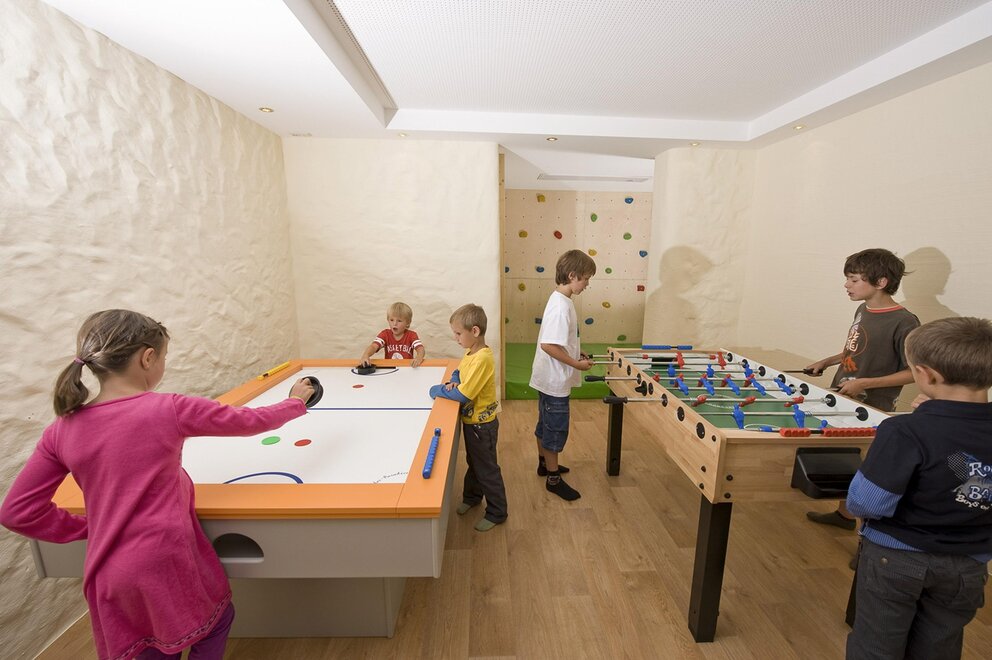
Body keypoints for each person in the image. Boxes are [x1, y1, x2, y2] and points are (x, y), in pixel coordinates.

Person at [0, 310, 314, 660]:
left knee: (151, 645)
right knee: (218, 621)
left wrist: (89, 527)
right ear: (147, 358)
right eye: (164, 357)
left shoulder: (61, 428)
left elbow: (16, 512)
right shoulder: (168, 408)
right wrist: (295, 401)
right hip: (164, 562)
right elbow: (249, 420)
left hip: (106, 574)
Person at [845, 317, 992, 660]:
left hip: (895, 559)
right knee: (940, 646)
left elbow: (865, 503)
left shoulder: (905, 431)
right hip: (969, 564)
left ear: (926, 375)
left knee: (877, 646)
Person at [805, 248, 920, 530]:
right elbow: (854, 349)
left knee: (866, 466)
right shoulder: (863, 309)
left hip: (872, 405)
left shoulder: (904, 321)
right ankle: (844, 515)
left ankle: (865, 535)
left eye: (854, 279)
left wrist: (865, 383)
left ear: (881, 282)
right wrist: (828, 361)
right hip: (845, 394)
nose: (847, 285)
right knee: (843, 456)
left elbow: (913, 372)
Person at [429, 304, 506, 532]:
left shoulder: (483, 359)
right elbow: (459, 372)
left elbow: (464, 395)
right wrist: (453, 381)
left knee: (486, 468)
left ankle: (497, 512)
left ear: (474, 331)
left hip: (483, 426)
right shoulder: (470, 352)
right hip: (472, 424)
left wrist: (438, 390)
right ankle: (472, 497)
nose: (455, 338)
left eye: (458, 333)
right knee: (474, 463)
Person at [529, 249, 596, 501]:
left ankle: (544, 464)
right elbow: (549, 344)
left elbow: (560, 340)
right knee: (555, 429)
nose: (587, 284)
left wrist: (577, 351)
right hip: (554, 381)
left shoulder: (562, 299)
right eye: (585, 279)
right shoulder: (560, 307)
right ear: (572, 275)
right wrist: (576, 364)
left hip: (548, 378)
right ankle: (553, 479)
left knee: (545, 423)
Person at [359, 301, 425, 367]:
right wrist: (366, 355)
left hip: (406, 368)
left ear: (407, 323)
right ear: (388, 320)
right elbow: (373, 346)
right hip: (390, 368)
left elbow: (420, 348)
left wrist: (418, 358)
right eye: (391, 320)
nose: (394, 323)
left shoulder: (411, 335)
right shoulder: (385, 334)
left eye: (399, 321)